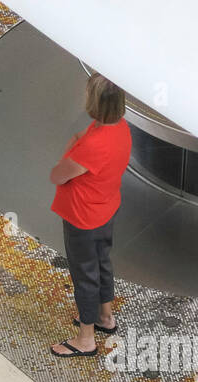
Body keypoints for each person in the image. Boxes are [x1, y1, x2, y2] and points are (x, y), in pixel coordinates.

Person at [48, 73, 132, 357]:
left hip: (81, 217)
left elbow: (57, 176)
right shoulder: (121, 128)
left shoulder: (90, 146)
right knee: (101, 261)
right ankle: (105, 317)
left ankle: (85, 339)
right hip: (106, 208)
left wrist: (72, 142)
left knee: (84, 274)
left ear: (93, 102)